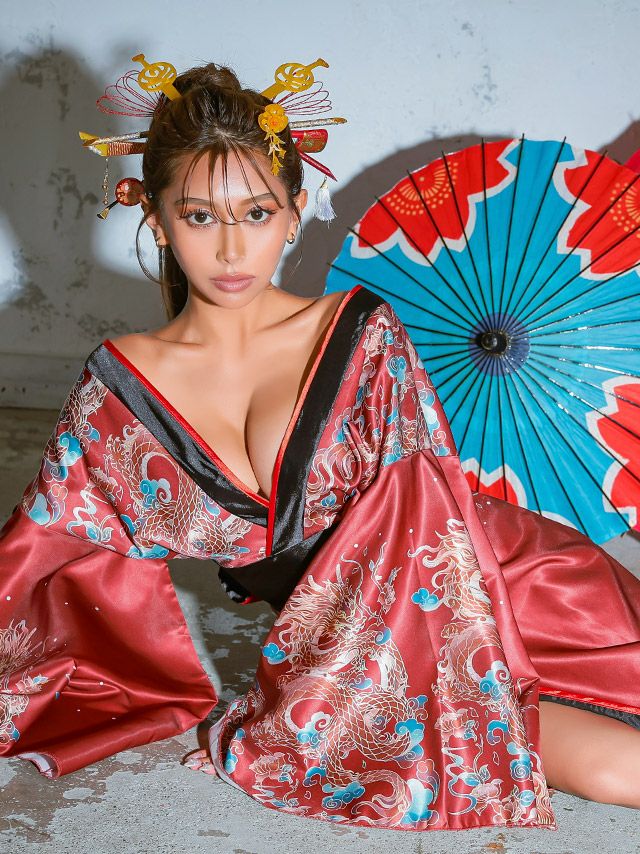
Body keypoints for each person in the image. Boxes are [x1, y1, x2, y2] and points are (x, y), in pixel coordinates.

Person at [1, 58, 639, 833]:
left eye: (257, 212)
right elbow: (47, 565)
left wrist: (294, 715)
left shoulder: (361, 333)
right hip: (371, 649)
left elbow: (414, 541)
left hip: (489, 590)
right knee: (610, 770)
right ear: (156, 218)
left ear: (294, 212)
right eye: (199, 216)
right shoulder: (119, 388)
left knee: (613, 770)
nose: (232, 248)